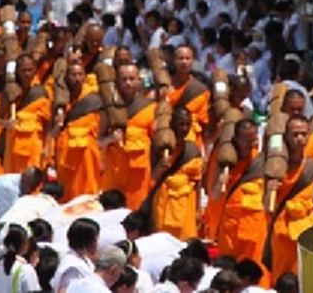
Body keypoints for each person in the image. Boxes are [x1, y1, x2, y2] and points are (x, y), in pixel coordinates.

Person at [263, 116, 313, 282]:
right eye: (295, 135)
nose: (300, 139)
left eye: (303, 134)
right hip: (282, 236)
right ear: (286, 137)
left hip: (308, 233)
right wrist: (270, 190)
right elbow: (267, 207)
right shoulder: (275, 168)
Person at [208, 120, 267, 264]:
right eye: (244, 141)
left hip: (253, 230)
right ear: (235, 139)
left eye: (252, 140)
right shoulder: (225, 161)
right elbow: (214, 196)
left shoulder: (261, 162)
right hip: (228, 229)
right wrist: (220, 183)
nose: (248, 145)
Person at [103, 62, 155, 210]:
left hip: (138, 174)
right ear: (117, 81)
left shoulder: (149, 108)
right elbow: (97, 141)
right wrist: (110, 139)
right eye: (124, 79)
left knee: (135, 213)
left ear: (139, 81)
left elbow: (156, 142)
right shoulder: (109, 108)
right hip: (114, 171)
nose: (128, 83)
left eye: (132, 79)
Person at [148, 107, 203, 241]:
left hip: (186, 204)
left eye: (187, 124)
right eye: (181, 124)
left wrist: (198, 209)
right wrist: (160, 167)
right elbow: (152, 177)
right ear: (172, 124)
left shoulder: (192, 149)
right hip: (164, 201)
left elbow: (197, 181)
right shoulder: (159, 147)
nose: (184, 128)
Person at [53, 61, 104, 200]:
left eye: (80, 74)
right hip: (66, 153)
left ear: (85, 76)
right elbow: (52, 132)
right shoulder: (62, 101)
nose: (77, 78)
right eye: (73, 75)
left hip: (88, 153)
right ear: (67, 77)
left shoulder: (93, 99)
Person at [0, 54, 51, 174]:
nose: (27, 74)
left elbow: (48, 123)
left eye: (30, 70)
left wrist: (47, 146)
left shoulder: (40, 92)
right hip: (13, 144)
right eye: (23, 71)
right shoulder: (10, 91)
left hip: (34, 145)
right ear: (17, 71)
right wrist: (7, 124)